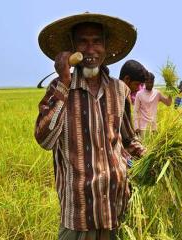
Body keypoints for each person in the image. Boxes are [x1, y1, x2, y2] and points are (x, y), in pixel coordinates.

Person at [34, 12, 145, 239]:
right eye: (83, 42)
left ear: (105, 47)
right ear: (73, 48)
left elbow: (128, 139)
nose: (90, 49)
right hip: (79, 214)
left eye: (96, 41)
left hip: (117, 207)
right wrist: (64, 82)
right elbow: (45, 139)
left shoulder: (119, 90)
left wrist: (153, 157)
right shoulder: (58, 90)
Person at [134, 72, 172, 136]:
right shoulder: (139, 94)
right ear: (145, 82)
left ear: (153, 82)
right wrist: (136, 127)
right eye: (148, 82)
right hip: (143, 128)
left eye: (151, 82)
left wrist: (170, 92)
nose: (150, 84)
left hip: (153, 127)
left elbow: (168, 103)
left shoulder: (157, 93)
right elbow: (136, 110)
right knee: (144, 145)